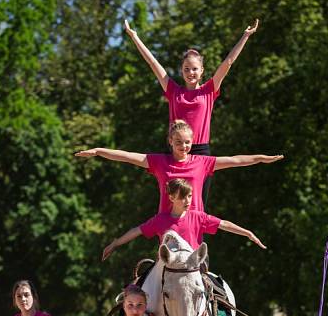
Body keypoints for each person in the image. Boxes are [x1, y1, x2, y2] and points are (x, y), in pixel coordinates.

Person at [124, 18, 259, 206]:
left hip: (200, 151)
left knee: (198, 205)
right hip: (175, 151)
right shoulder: (173, 91)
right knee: (173, 203)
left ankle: (198, 236)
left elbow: (228, 62)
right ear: (181, 71)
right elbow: (153, 63)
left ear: (202, 70)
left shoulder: (209, 90)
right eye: (186, 69)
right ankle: (170, 235)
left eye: (194, 69)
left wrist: (245, 35)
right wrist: (134, 37)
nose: (190, 72)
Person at [75, 119, 283, 213]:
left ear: (192, 142)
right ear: (170, 142)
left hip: (194, 224)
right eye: (178, 142)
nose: (183, 146)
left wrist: (262, 158)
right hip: (167, 225)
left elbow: (236, 160)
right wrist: (99, 151)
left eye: (187, 142)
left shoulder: (202, 162)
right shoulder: (159, 162)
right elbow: (128, 156)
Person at [101, 178, 266, 260]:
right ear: (172, 197)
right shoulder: (160, 220)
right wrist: (115, 243)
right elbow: (136, 231)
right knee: (140, 287)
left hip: (193, 266)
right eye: (183, 197)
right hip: (168, 266)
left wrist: (247, 233)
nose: (188, 201)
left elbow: (224, 224)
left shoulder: (198, 217)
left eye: (190, 196)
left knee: (218, 290)